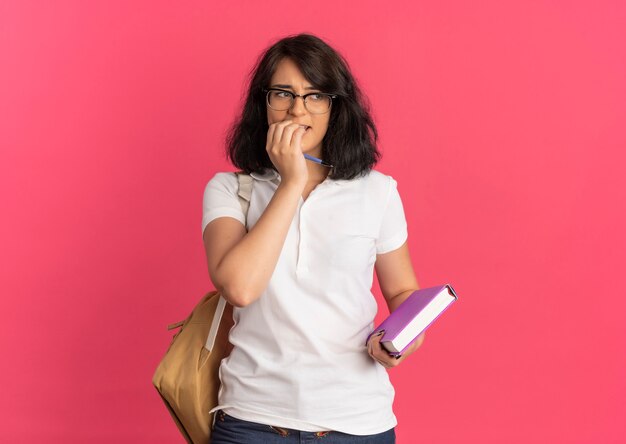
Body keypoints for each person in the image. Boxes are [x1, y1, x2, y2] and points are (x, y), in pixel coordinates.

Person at [201, 33, 425, 443]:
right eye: (283, 93)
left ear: (335, 107)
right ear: (263, 102)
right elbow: (240, 287)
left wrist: (404, 336)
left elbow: (402, 291)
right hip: (252, 421)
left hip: (358, 423)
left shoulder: (377, 191)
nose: (297, 109)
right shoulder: (230, 189)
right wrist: (291, 183)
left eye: (315, 95)